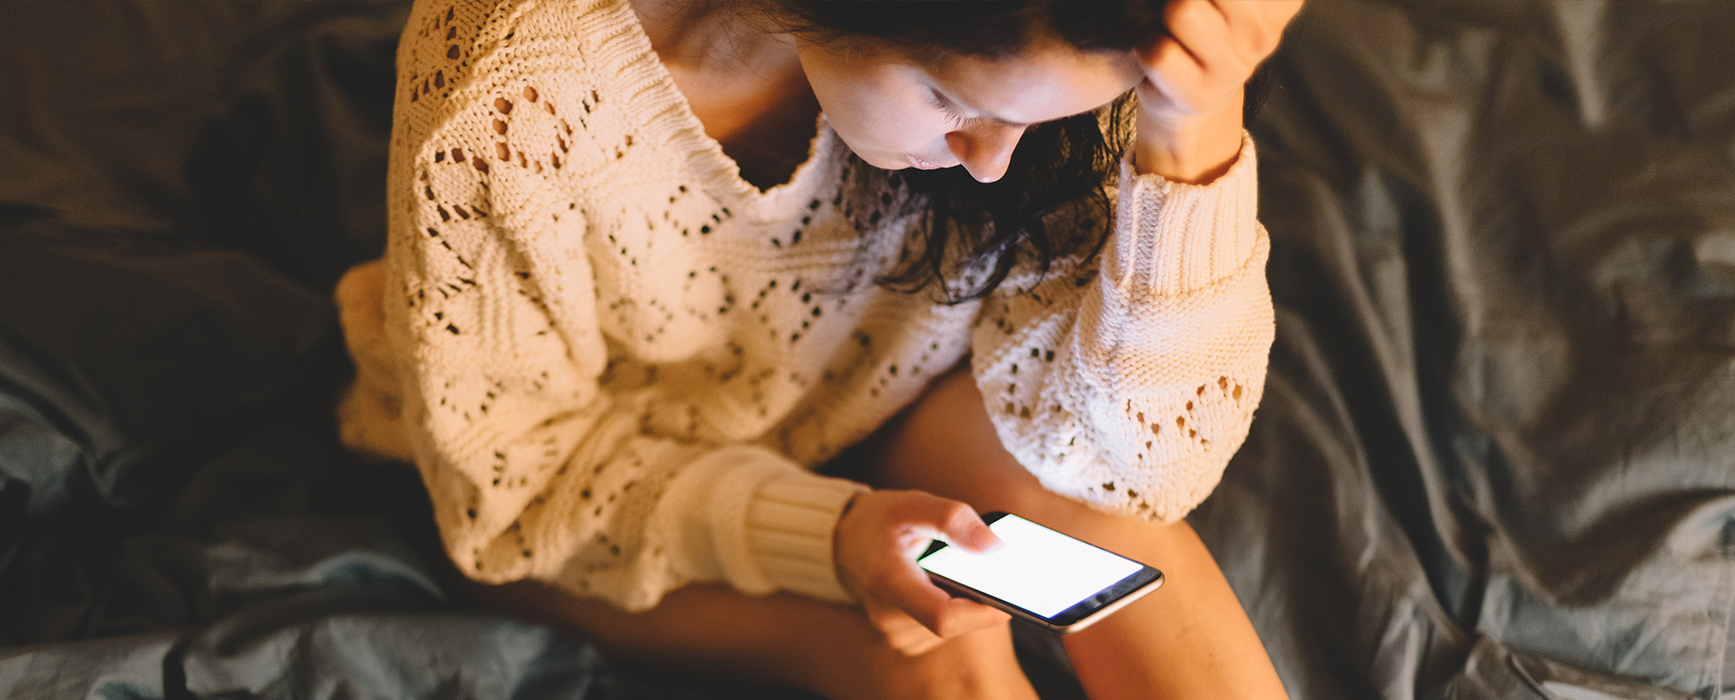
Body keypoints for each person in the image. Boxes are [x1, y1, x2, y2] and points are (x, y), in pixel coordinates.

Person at [335, 0, 1299, 697]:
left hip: (883, 393)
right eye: (953, 101)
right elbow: (518, 488)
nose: (995, 158)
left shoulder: (1070, 29)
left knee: (1116, 543)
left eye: (1034, 118)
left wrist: (1190, 141)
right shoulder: (511, 92)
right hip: (583, 490)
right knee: (937, 654)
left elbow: (1143, 470)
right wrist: (829, 537)